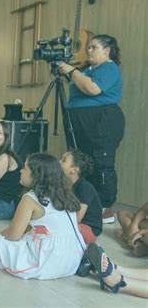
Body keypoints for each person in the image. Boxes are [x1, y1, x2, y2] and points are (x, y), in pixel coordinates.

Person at [0, 153, 84, 280]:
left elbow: (13, 235)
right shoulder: (64, 194)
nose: (21, 171)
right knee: (26, 235)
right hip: (73, 260)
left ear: (36, 175)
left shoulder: (30, 199)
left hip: (49, 263)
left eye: (25, 168)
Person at [59, 34, 124, 224]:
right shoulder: (87, 69)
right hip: (82, 122)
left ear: (107, 50)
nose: (88, 50)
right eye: (88, 47)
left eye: (94, 47)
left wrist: (72, 71)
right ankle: (85, 201)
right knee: (82, 162)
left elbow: (93, 89)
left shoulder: (109, 68)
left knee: (101, 161)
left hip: (102, 121)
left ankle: (104, 207)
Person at [60, 149, 103, 244]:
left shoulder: (85, 187)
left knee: (60, 228)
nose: (59, 162)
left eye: (63, 160)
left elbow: (77, 218)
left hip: (87, 228)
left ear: (74, 169)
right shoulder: (64, 184)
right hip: (73, 223)